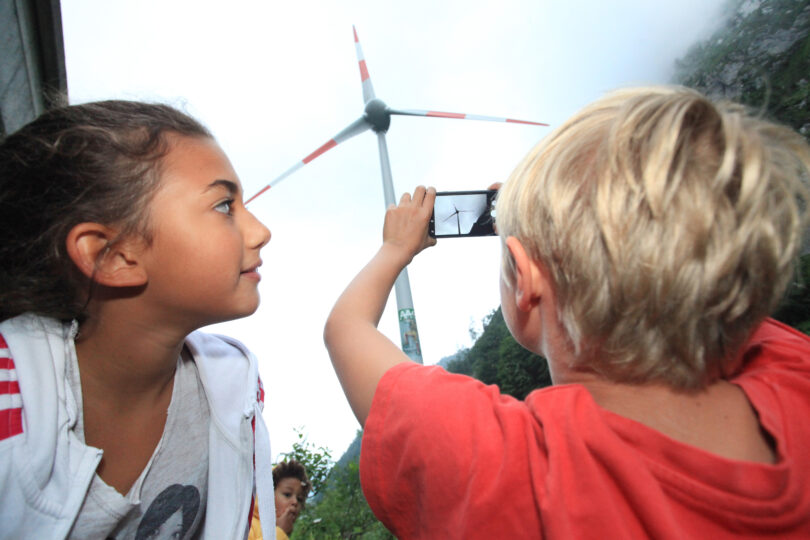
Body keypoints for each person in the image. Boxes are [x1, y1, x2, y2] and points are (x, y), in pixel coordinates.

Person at [323, 86, 810, 538]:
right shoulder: (794, 380)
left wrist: (394, 250)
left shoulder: (511, 469)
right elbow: (709, 280)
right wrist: (551, 222)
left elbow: (346, 329)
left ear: (525, 280)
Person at [0, 100, 276, 538]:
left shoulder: (236, 393)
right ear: (111, 256)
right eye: (224, 205)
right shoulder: (11, 400)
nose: (261, 231)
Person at [249, 460, 311, 540]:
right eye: (287, 494)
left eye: (299, 499)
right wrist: (280, 531)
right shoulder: (248, 525)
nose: (295, 502)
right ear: (268, 494)